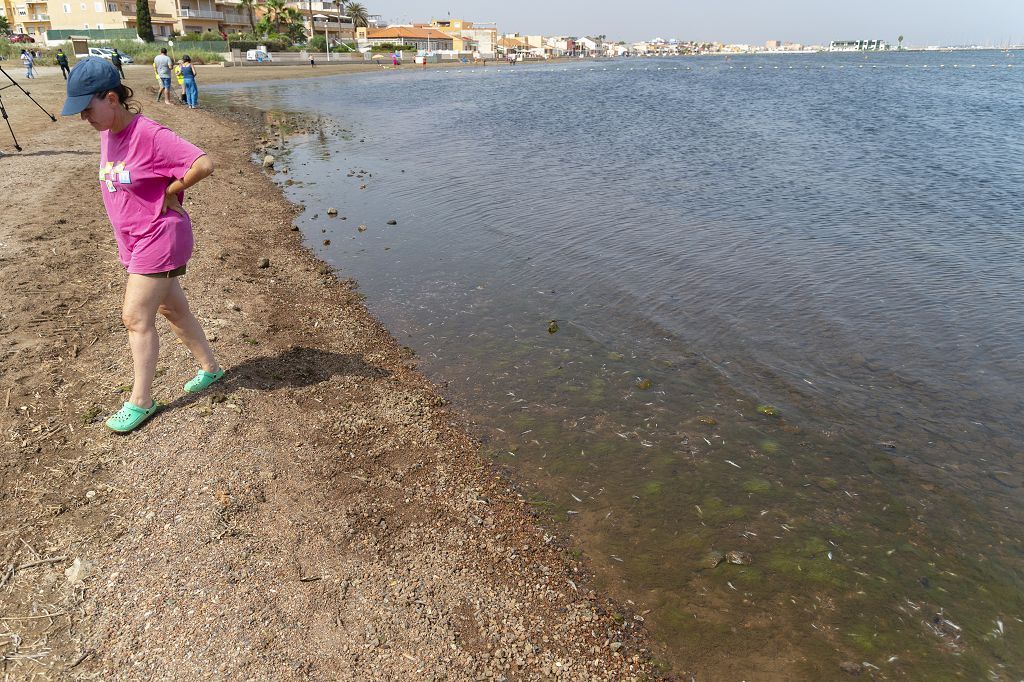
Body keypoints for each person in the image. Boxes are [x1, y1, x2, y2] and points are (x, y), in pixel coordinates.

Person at [60, 58, 223, 433]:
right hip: (133, 240)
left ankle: (141, 401)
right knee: (173, 310)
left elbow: (203, 163)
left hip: (161, 235)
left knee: (135, 317)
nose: (85, 118)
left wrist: (172, 190)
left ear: (112, 98)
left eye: (88, 109)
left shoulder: (148, 134)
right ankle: (212, 370)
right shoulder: (107, 133)